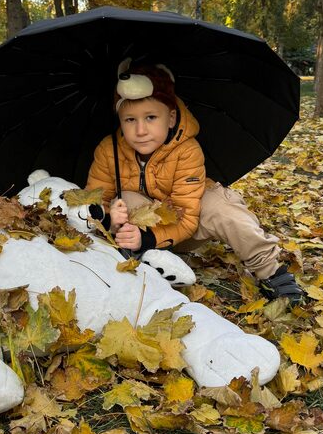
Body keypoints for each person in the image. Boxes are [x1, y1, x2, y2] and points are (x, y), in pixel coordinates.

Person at [85, 63, 303, 302]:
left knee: (222, 208)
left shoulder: (187, 149)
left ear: (170, 118)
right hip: (142, 232)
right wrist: (108, 218)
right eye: (129, 119)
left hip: (187, 223)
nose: (140, 130)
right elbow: (92, 202)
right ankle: (147, 260)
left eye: (150, 117)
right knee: (123, 200)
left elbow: (187, 217)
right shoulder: (109, 150)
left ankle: (270, 272)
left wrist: (148, 238)